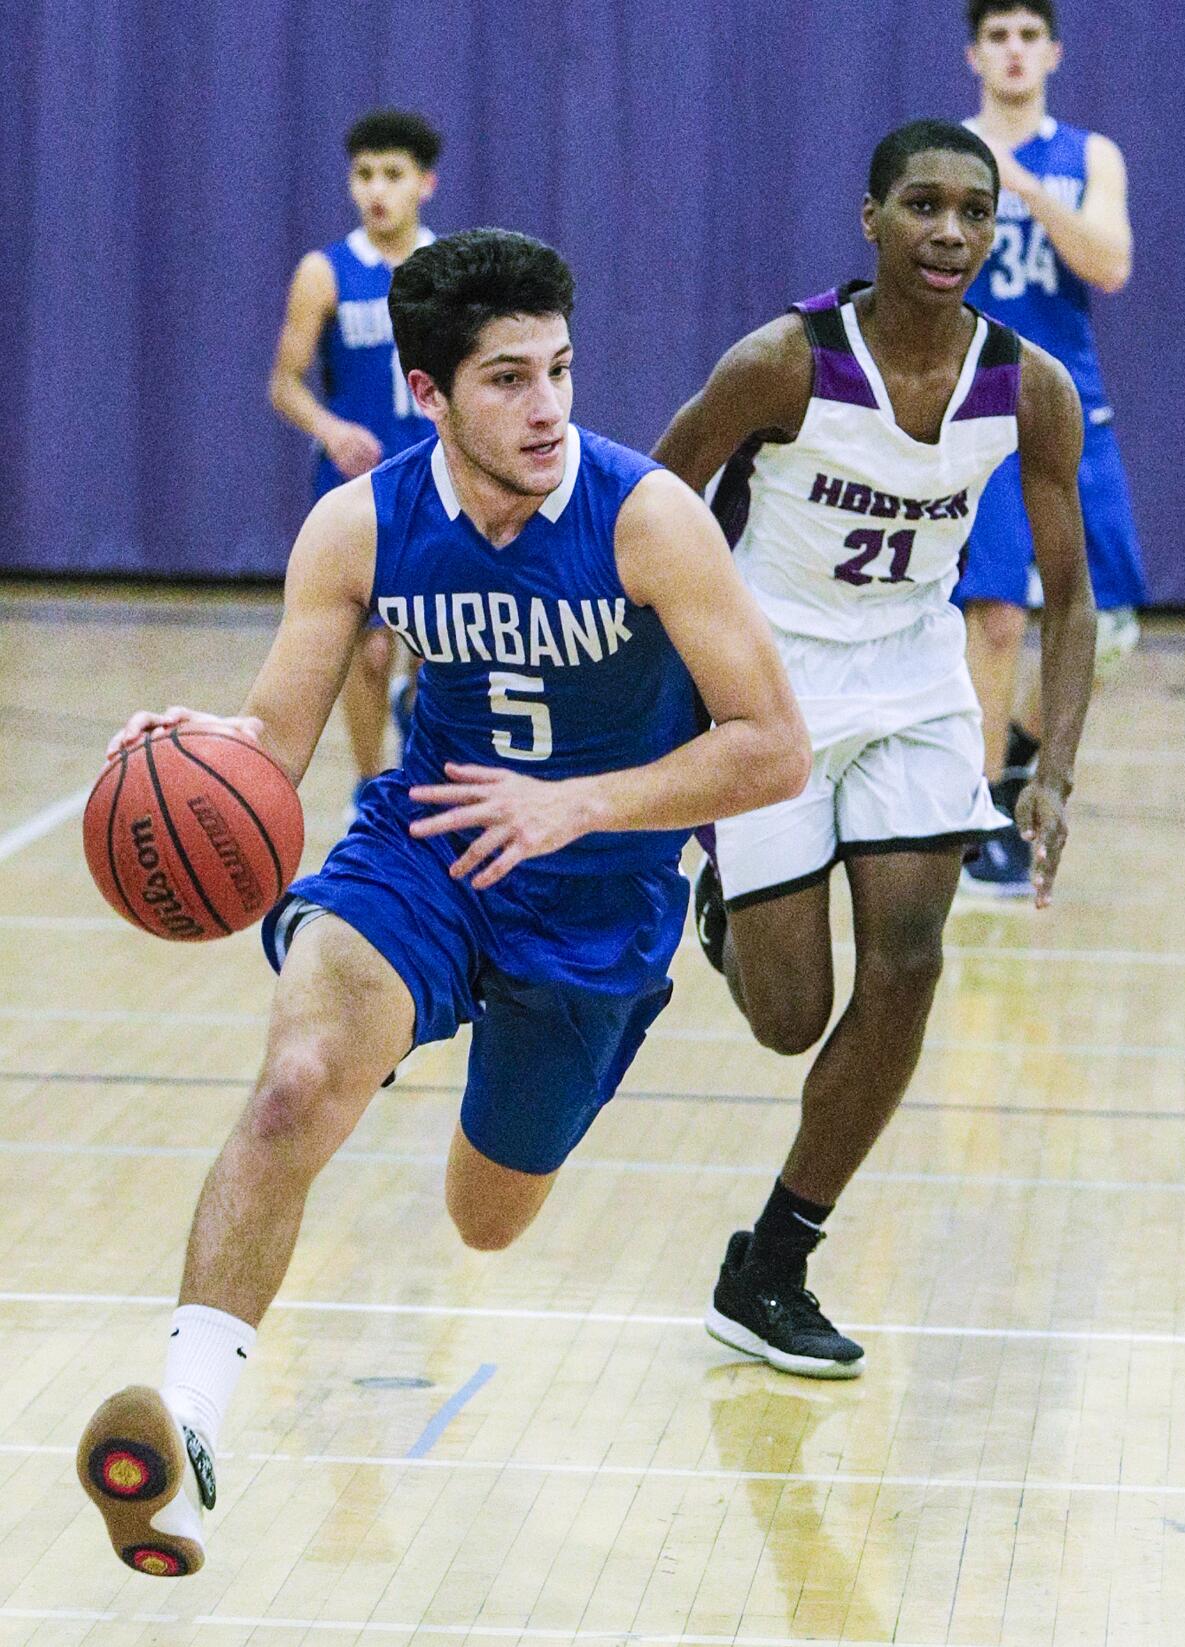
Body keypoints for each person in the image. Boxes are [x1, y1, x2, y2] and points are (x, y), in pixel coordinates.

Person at [77, 229, 810, 1577]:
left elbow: (775, 744)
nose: (547, 408)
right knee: (297, 1080)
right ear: (427, 393)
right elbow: (274, 742)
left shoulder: (648, 519)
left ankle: (534, 1037)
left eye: (562, 371)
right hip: (425, 852)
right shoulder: (359, 526)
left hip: (599, 897)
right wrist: (202, 748)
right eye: (507, 380)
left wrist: (581, 802)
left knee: (488, 1216)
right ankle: (183, 1427)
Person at [653, 119, 1095, 1378]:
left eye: (972, 211)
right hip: (771, 683)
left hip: (911, 679)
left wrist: (1049, 767)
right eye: (921, 206)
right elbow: (652, 505)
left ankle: (774, 1261)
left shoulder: (1030, 386)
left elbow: (1069, 595)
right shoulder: (781, 362)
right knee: (791, 1020)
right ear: (872, 221)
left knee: (908, 961)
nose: (948, 231)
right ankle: (728, 911)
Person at [955, 0, 1147, 894]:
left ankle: (1026, 749)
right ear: (974, 54)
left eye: (1029, 35)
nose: (1015, 50)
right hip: (978, 408)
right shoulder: (944, 151)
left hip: (1073, 409)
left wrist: (1023, 186)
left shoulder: (1088, 155)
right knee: (993, 616)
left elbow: (1109, 263)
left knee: (1106, 627)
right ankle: (983, 811)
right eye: (999, 35)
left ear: (1054, 52)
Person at [268, 108, 442, 817]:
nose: (377, 189)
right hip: (357, 486)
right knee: (367, 652)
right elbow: (283, 382)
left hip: (435, 482)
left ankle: (423, 755)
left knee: (436, 655)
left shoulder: (446, 268)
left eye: (393, 175)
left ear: (424, 184)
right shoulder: (325, 271)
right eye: (365, 174)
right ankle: (372, 790)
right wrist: (332, 426)